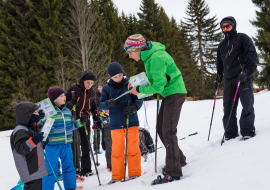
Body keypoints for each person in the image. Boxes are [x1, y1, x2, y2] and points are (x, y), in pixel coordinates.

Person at [124, 34, 187, 185]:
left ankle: (173, 172)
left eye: (130, 52)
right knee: (161, 129)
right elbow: (155, 79)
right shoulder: (150, 58)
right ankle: (179, 160)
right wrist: (136, 83)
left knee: (168, 131)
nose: (130, 56)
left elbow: (159, 86)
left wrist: (139, 89)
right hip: (169, 94)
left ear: (137, 49)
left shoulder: (156, 57)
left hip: (174, 93)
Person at [214, 16, 257, 141]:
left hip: (243, 77)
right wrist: (218, 78)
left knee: (247, 104)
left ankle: (248, 131)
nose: (226, 29)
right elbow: (219, 64)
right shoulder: (221, 45)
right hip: (228, 80)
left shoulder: (243, 38)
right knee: (228, 107)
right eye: (223, 27)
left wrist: (248, 72)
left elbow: (252, 56)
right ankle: (230, 133)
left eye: (228, 26)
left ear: (233, 26)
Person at [99, 62, 143, 185]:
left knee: (133, 149)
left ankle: (134, 173)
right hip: (116, 124)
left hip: (131, 122)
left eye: (120, 75)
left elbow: (139, 98)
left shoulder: (130, 84)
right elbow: (101, 104)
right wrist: (108, 104)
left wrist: (135, 107)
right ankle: (117, 176)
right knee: (117, 151)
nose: (118, 78)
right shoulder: (107, 89)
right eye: (115, 76)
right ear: (110, 76)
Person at [42, 87, 86, 190]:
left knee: (69, 167)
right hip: (52, 145)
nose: (64, 97)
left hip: (66, 144)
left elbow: (71, 126)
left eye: (64, 95)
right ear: (53, 99)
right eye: (61, 96)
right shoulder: (49, 112)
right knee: (50, 170)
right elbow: (43, 128)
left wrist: (80, 121)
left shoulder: (67, 111)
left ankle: (70, 187)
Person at [66, 70, 101, 177]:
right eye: (88, 82)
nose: (90, 85)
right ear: (82, 81)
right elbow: (63, 104)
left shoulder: (92, 93)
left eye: (92, 83)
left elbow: (94, 107)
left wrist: (97, 119)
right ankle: (74, 167)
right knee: (73, 143)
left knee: (86, 144)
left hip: (85, 120)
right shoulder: (73, 89)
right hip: (73, 119)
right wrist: (70, 104)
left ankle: (86, 168)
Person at [10, 102, 48, 190]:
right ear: (27, 115)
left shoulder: (29, 128)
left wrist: (43, 143)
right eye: (36, 113)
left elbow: (34, 147)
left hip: (35, 167)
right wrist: (34, 140)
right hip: (30, 169)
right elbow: (21, 148)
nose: (38, 114)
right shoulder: (21, 130)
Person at [92, 83, 104, 154]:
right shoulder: (95, 96)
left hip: (104, 116)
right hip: (96, 116)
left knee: (105, 132)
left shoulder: (105, 94)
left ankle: (104, 146)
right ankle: (96, 148)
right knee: (97, 132)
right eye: (98, 87)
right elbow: (93, 106)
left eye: (100, 87)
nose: (99, 88)